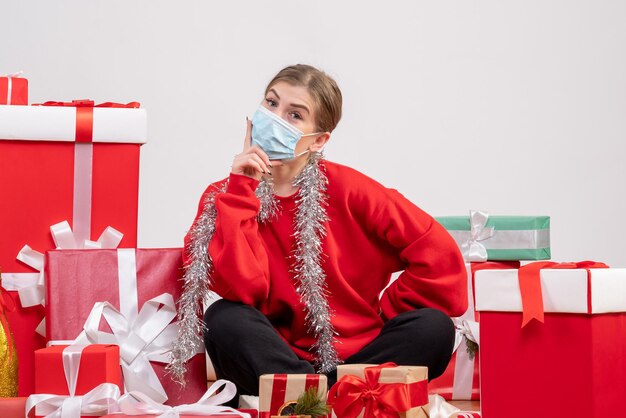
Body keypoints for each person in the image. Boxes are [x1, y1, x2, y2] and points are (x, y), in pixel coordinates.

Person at [183, 64, 467, 399]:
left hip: (361, 355)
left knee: (434, 328)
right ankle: (341, 397)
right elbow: (245, 290)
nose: (275, 118)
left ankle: (312, 398)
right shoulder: (224, 196)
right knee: (224, 318)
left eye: (294, 115)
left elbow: (436, 252)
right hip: (277, 354)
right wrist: (243, 188)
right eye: (271, 104)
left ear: (319, 139)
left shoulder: (351, 188)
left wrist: (387, 313)